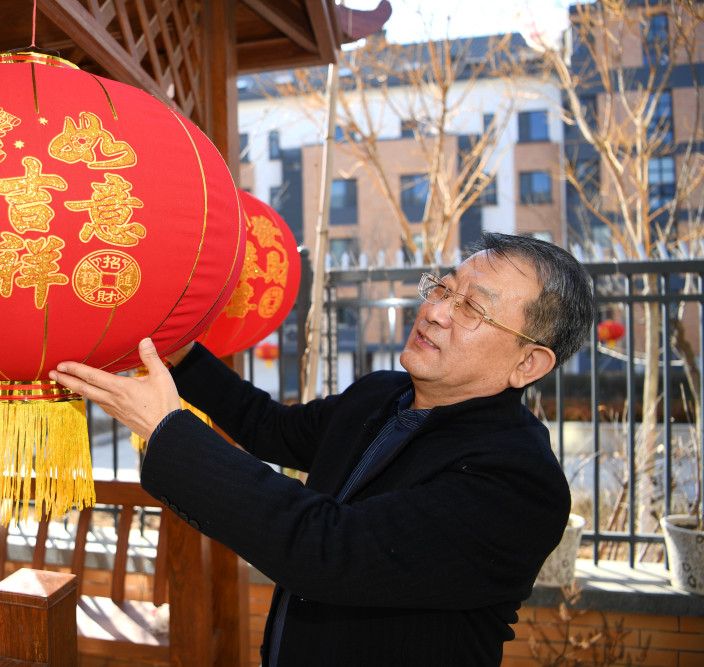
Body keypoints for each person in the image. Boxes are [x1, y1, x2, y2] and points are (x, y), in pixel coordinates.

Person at [49, 232, 595, 666]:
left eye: (474, 307)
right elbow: (272, 428)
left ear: (529, 363)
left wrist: (168, 428)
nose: (436, 311)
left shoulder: (518, 482)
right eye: (443, 287)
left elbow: (328, 551)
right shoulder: (382, 394)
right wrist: (182, 355)